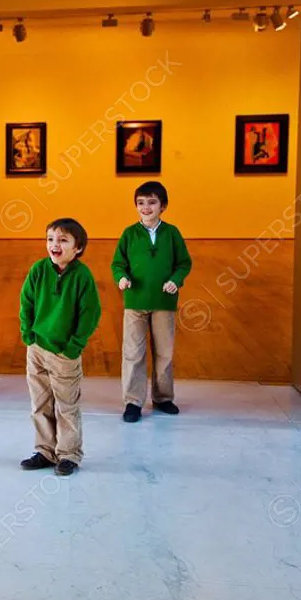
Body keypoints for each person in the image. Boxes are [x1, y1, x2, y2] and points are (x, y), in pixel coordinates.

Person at [19, 218, 102, 477]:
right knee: (40, 403)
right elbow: (26, 302)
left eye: (63, 240)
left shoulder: (82, 277)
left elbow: (90, 314)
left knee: (66, 406)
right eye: (50, 239)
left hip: (64, 353)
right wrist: (28, 334)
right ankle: (45, 450)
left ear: (78, 248)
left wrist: (73, 346)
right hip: (37, 349)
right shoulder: (38, 270)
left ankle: (68, 454)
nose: (55, 245)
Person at [112, 181, 193, 423]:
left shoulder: (172, 233)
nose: (146, 208)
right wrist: (121, 277)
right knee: (133, 353)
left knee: (165, 352)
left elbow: (184, 263)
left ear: (163, 206)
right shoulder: (129, 234)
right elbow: (118, 263)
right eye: (140, 203)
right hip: (135, 302)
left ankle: (163, 397)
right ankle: (133, 401)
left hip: (164, 302)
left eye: (152, 202)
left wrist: (176, 280)